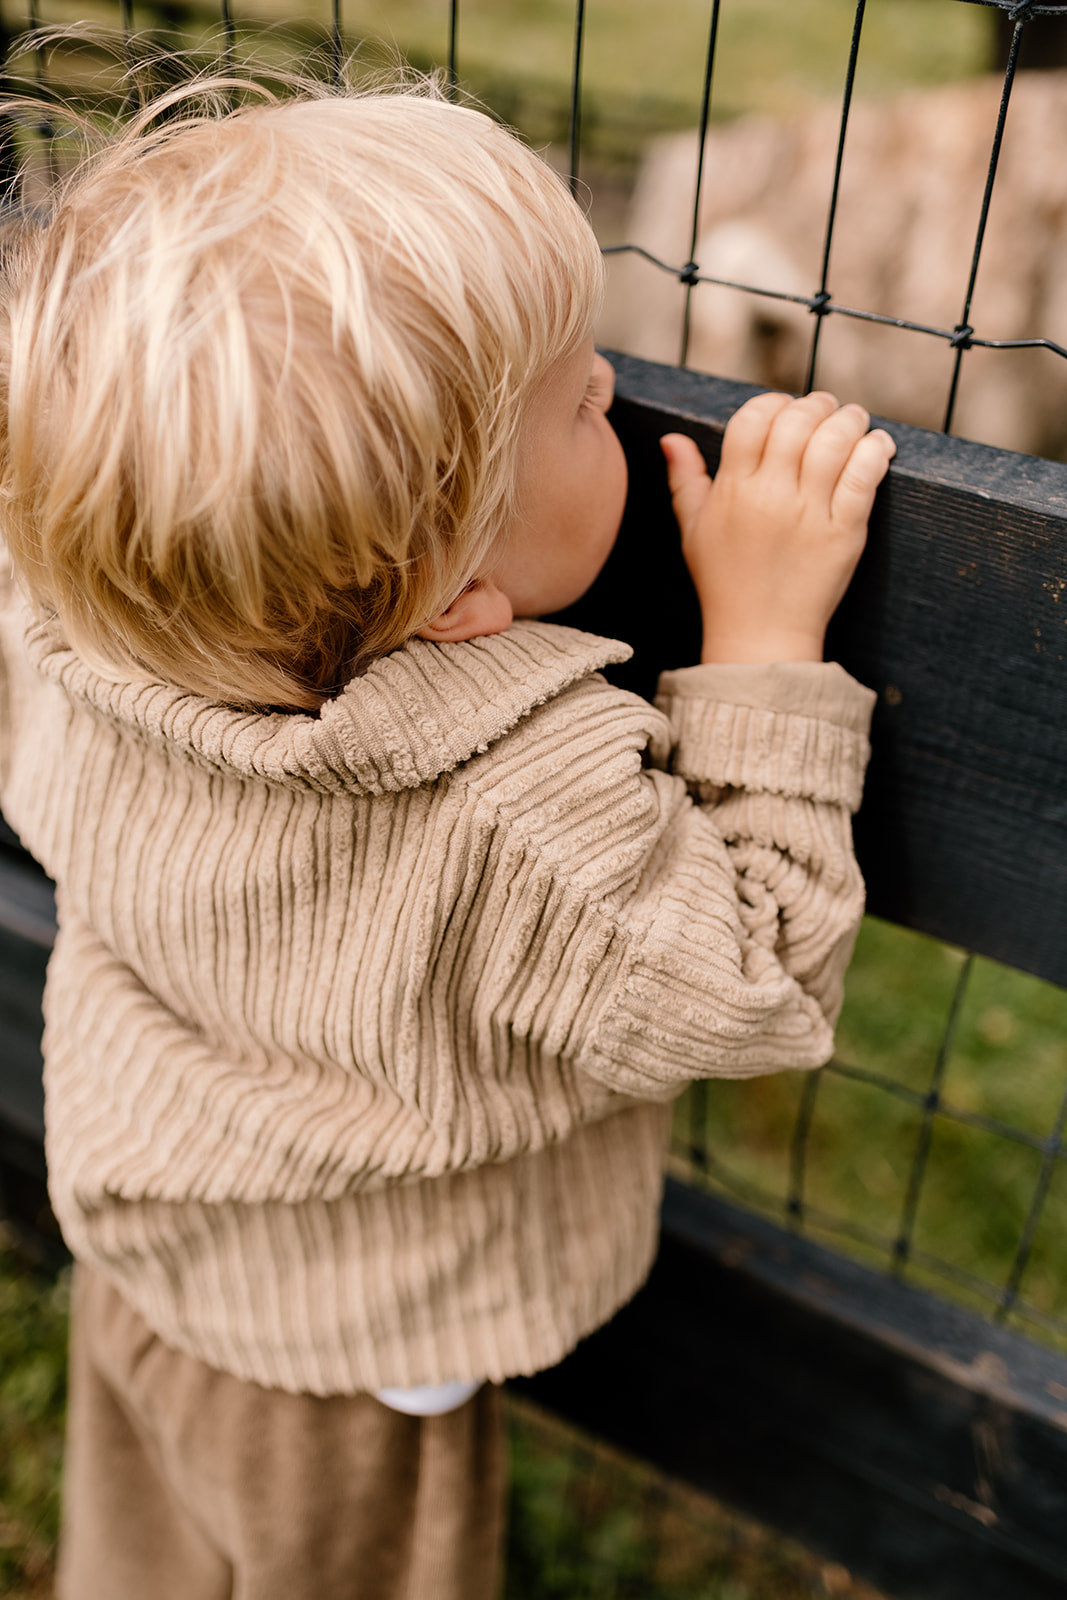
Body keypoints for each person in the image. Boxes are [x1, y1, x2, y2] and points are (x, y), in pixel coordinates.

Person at [0, 57, 895, 1600]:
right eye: (578, 402)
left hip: (151, 1242)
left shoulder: (70, 640)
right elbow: (753, 981)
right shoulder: (514, 803)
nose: (616, 382)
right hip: (359, 1348)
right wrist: (759, 643)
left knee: (138, 1552)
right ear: (454, 598)